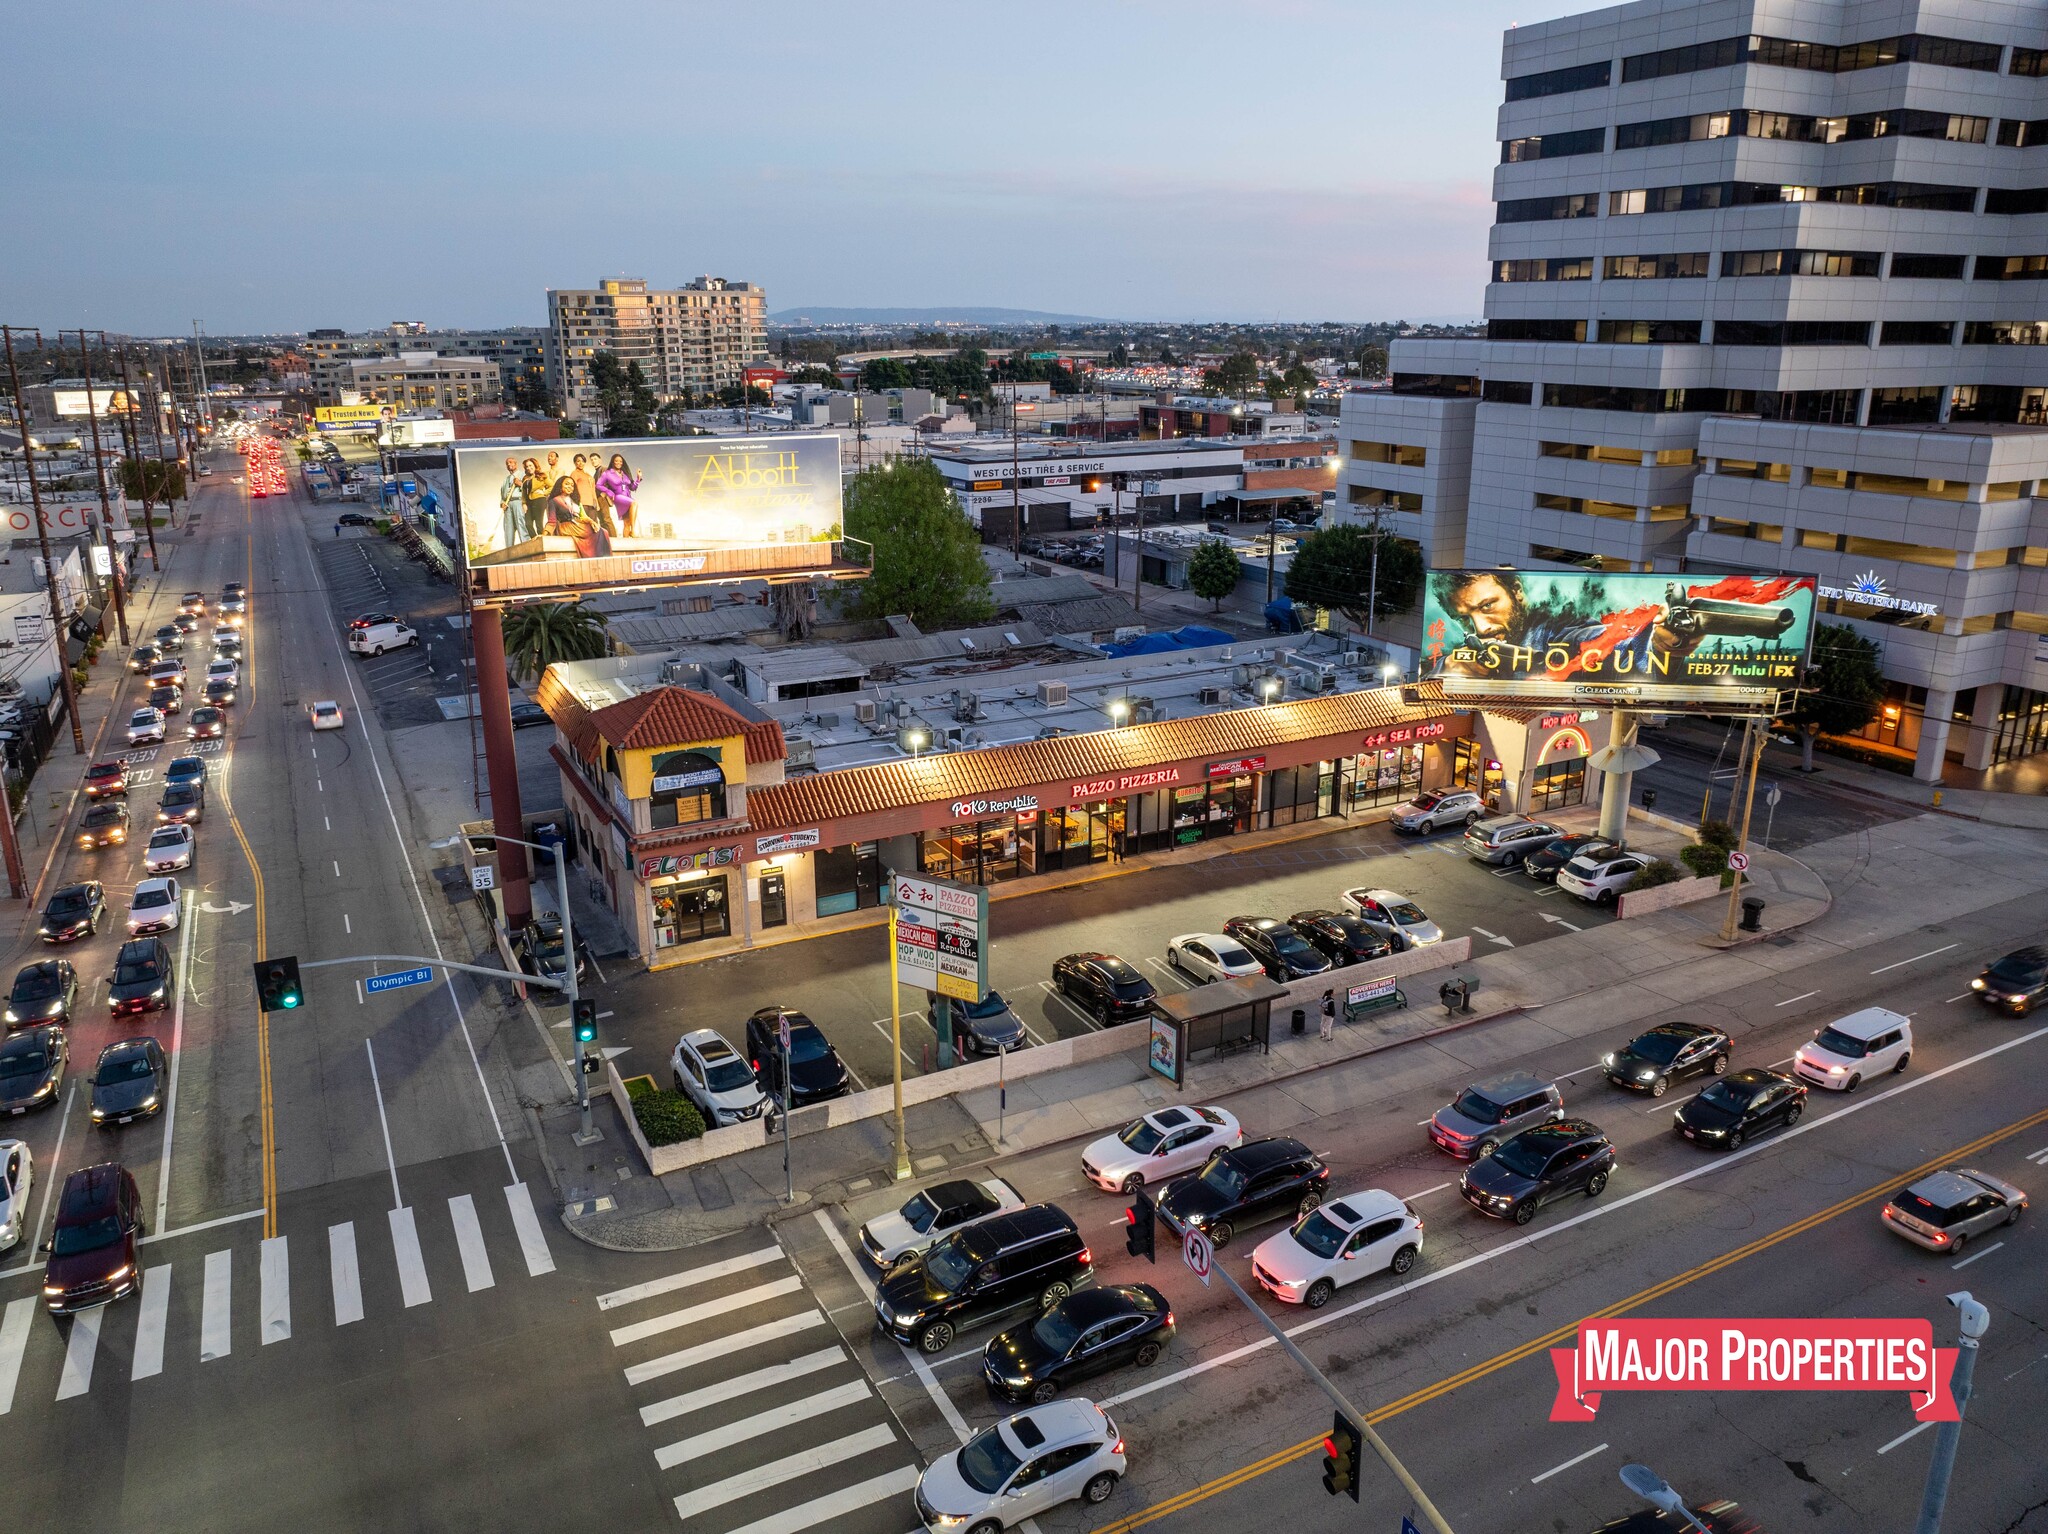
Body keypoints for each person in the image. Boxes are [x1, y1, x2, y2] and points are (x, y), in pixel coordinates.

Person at [545, 475, 611, 559]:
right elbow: (552, 521)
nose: (570, 487)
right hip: (567, 527)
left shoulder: (576, 501)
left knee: (603, 531)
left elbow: (583, 516)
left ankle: (602, 558)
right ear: (560, 485)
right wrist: (544, 534)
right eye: (567, 484)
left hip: (579, 525)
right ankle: (596, 557)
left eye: (572, 485)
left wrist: (592, 522)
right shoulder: (554, 501)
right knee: (597, 532)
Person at [596, 453, 642, 537]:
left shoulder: (625, 474)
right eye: (616, 461)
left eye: (620, 461)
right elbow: (598, 485)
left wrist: (638, 479)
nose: (618, 463)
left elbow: (632, 487)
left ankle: (626, 545)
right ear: (613, 462)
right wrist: (608, 491)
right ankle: (633, 530)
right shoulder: (607, 473)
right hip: (617, 496)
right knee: (634, 503)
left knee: (626, 524)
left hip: (628, 497)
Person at [518, 457, 551, 540]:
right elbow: (524, 493)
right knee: (528, 524)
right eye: (526, 466)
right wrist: (524, 503)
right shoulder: (525, 478)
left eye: (530, 465)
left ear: (535, 465)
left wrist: (544, 492)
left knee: (538, 523)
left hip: (539, 500)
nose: (529, 468)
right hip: (529, 503)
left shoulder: (541, 475)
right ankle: (534, 539)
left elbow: (553, 486)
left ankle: (543, 540)